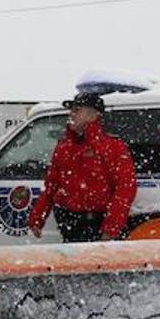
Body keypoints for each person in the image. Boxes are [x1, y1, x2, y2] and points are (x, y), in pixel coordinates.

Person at [28, 92, 138, 242]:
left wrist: (110, 229)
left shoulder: (112, 147)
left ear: (93, 115)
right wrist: (37, 217)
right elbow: (51, 186)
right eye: (71, 110)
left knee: (94, 264)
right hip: (68, 224)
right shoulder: (64, 146)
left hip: (96, 225)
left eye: (76, 110)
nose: (71, 114)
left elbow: (125, 189)